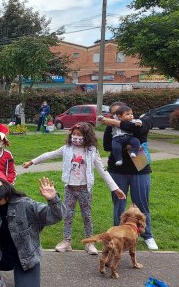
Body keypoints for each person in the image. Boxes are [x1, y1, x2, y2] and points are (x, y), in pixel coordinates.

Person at [23, 122, 125, 254]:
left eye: (79, 135)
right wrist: (32, 161)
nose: (76, 137)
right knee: (67, 215)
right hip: (70, 188)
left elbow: (103, 170)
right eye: (74, 134)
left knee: (87, 216)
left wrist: (115, 188)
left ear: (87, 136)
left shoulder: (92, 151)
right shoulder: (67, 148)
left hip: (85, 189)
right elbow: (50, 154)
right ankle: (66, 241)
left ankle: (90, 243)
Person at [100, 101, 157, 250]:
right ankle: (118, 233)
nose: (116, 116)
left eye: (120, 112)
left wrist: (115, 123)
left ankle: (147, 235)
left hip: (140, 169)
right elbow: (107, 146)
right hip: (117, 170)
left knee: (141, 203)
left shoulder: (140, 122)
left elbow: (141, 132)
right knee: (119, 204)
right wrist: (124, 143)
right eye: (114, 114)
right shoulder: (111, 126)